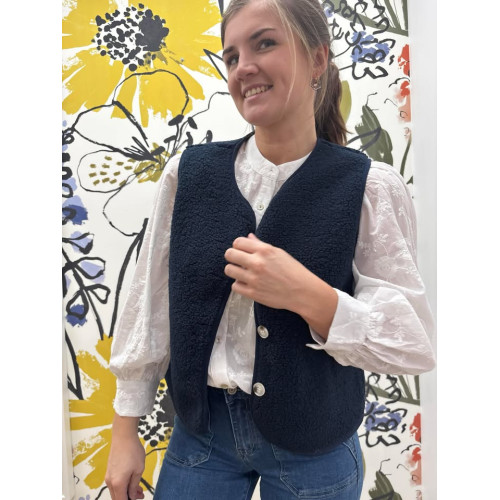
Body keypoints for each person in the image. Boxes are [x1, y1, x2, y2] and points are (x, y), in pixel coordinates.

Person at [105, 0, 436, 498]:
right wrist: (124, 429)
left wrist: (311, 296)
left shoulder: (370, 187)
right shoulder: (187, 175)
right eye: (232, 56)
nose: (244, 67)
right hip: (202, 437)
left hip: (317, 446)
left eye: (264, 43)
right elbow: (148, 308)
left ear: (317, 59)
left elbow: (411, 342)